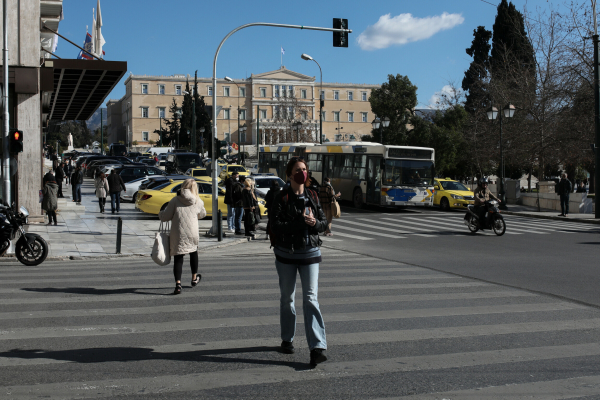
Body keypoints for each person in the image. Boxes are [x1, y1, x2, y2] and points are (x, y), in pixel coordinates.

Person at [270, 157, 328, 367]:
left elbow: (323, 223)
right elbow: (275, 225)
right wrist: (297, 222)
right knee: (287, 298)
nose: (302, 173)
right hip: (286, 253)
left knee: (311, 298)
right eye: (297, 170)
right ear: (289, 174)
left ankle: (317, 347)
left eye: (304, 169)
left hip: (310, 252)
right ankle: (287, 338)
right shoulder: (281, 196)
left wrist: (314, 223)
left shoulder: (312, 194)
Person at [158, 179, 205, 295]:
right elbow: (203, 214)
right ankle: (194, 278)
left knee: (178, 257)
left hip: (178, 232)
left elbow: (165, 217)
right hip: (192, 231)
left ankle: (178, 284)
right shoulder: (198, 201)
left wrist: (161, 213)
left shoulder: (175, 200)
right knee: (194, 252)